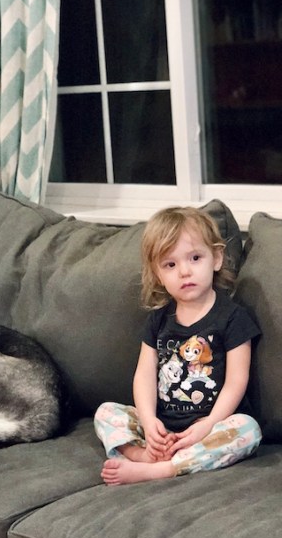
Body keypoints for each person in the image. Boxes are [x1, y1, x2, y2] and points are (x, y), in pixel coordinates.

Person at [94, 206, 262, 485]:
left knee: (248, 430)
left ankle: (163, 470)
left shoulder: (232, 317)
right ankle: (143, 455)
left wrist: (208, 425)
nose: (184, 271)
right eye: (170, 265)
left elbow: (236, 380)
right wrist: (149, 423)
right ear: (158, 274)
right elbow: (144, 375)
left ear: (217, 258)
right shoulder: (158, 320)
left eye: (195, 258)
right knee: (105, 412)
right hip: (163, 427)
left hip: (210, 427)